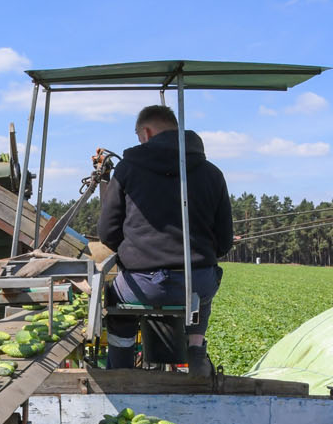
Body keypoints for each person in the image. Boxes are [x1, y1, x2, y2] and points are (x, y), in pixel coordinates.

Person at [97, 104, 232, 375]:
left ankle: (121, 368)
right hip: (195, 283)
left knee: (115, 298)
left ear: (146, 132)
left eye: (138, 135)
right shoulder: (212, 173)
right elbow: (224, 240)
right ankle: (196, 350)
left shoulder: (127, 170)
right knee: (203, 288)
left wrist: (134, 253)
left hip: (141, 285)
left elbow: (107, 231)